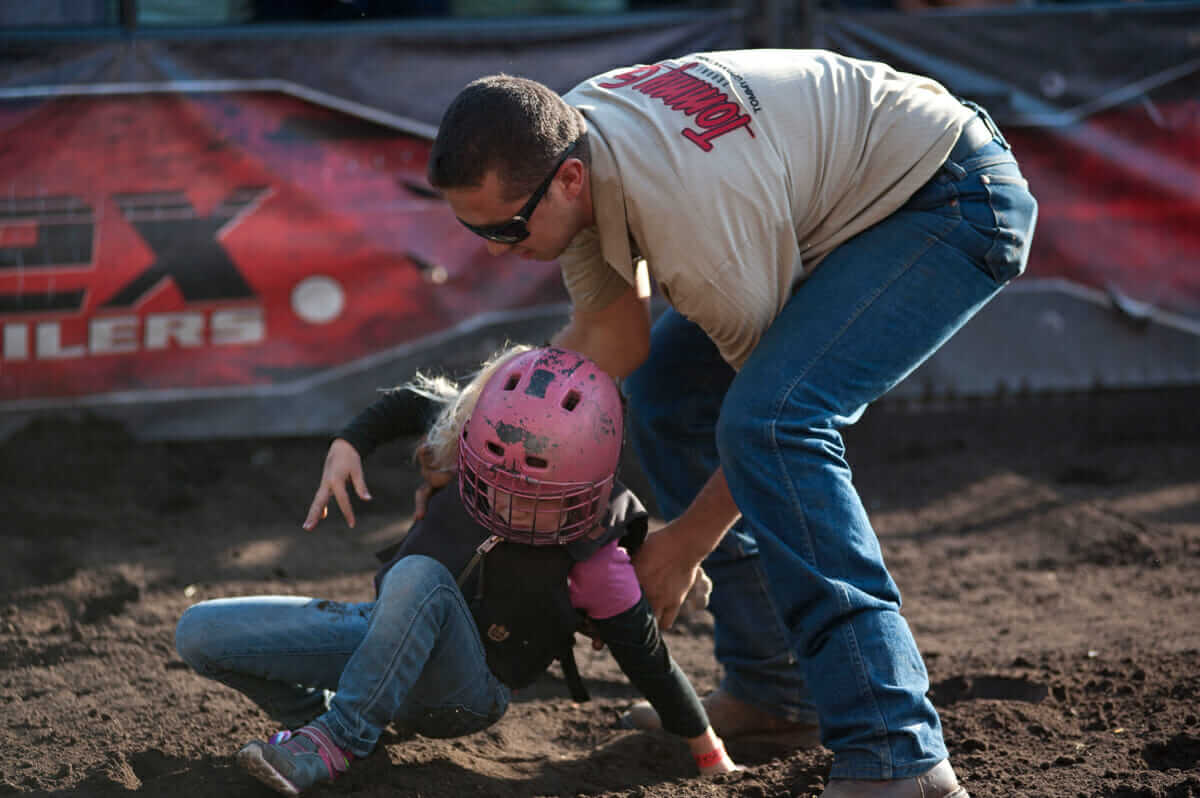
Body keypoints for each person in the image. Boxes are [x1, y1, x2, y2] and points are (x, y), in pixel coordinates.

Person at [424, 49, 1038, 797]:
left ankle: (897, 754)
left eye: (510, 229)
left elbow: (776, 424)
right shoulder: (571, 139)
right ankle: (776, 692)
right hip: (845, 190)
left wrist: (683, 545)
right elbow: (612, 342)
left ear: (569, 181)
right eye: (474, 228)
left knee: (774, 427)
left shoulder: (695, 224)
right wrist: (467, 430)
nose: (495, 248)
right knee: (666, 390)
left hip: (947, 198)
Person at [174, 345, 739, 796]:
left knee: (418, 576)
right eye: (497, 478)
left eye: (539, 488)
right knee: (199, 632)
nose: (512, 502)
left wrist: (709, 753)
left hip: (466, 691)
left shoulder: (597, 562)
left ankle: (335, 742)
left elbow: (651, 664)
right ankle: (321, 721)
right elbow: (406, 402)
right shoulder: (470, 426)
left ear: (588, 482)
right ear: (474, 441)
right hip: (386, 639)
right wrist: (348, 443)